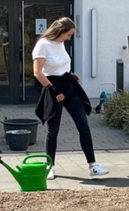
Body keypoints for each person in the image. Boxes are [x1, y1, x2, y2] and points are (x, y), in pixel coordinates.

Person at [32, 17, 110, 180]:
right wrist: (53, 90)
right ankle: (50, 166)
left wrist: (71, 75)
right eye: (68, 35)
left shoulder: (60, 43)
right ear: (60, 31)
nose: (69, 38)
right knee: (53, 130)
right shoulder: (42, 45)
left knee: (83, 125)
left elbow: (61, 65)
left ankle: (93, 165)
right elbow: (38, 72)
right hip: (52, 86)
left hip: (68, 84)